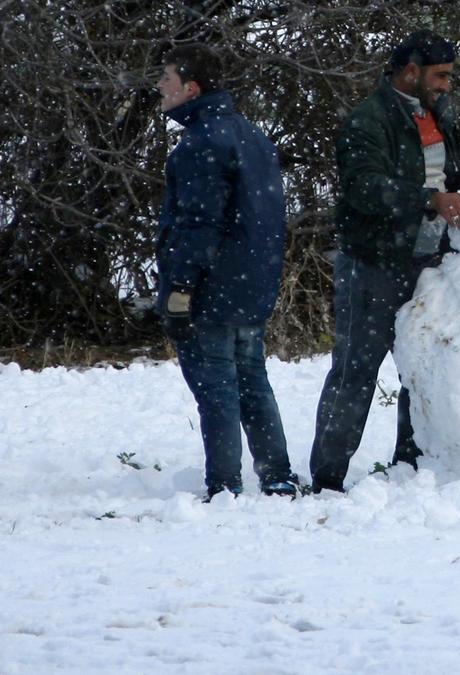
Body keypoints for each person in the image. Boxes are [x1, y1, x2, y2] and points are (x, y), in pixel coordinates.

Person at [309, 31, 460, 493]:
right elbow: (365, 188)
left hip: (425, 263)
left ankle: (409, 464)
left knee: (420, 367)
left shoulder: (433, 112)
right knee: (355, 371)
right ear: (411, 72)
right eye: (441, 75)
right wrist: (431, 199)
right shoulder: (368, 121)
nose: (448, 84)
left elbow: (453, 158)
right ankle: (327, 479)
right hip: (374, 266)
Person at [154, 44, 296, 499]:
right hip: (251, 280)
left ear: (191, 87)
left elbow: (198, 223)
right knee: (252, 378)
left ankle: (225, 486)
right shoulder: (251, 135)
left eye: (167, 78)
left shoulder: (200, 142)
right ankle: (276, 475)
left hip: (213, 286)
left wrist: (180, 288)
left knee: (215, 385)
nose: (160, 86)